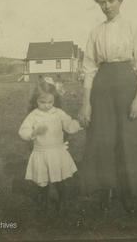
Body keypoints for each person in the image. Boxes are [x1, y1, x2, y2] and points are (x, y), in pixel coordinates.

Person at [78, 0, 137, 212]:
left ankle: (130, 191)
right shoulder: (96, 32)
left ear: (120, 0)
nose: (107, 6)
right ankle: (105, 188)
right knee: (102, 137)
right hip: (102, 86)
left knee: (128, 137)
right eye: (102, 2)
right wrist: (85, 104)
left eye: (111, 1)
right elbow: (89, 68)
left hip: (126, 85)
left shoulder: (133, 27)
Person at [19, 77, 83, 211]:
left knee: (59, 180)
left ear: (54, 100)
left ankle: (62, 201)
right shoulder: (33, 115)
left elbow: (69, 125)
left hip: (57, 152)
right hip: (41, 152)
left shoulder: (58, 113)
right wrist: (33, 132)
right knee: (42, 182)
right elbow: (23, 131)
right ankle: (44, 201)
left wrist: (80, 123)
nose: (47, 105)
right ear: (36, 100)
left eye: (50, 102)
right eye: (43, 102)